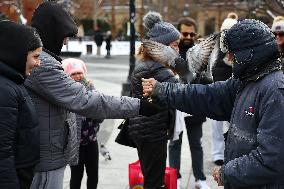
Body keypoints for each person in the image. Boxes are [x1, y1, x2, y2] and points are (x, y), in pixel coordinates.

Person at [25, 2, 161, 189]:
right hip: (45, 161)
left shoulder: (44, 60)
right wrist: (139, 105)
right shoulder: (44, 65)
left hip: (49, 154)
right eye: (64, 36)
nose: (66, 42)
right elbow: (86, 100)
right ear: (52, 32)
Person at [142, 19, 284, 189]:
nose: (230, 58)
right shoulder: (245, 82)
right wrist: (164, 91)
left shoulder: (275, 91)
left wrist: (227, 172)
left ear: (250, 54)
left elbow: (272, 158)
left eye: (234, 53)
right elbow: (206, 96)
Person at [128, 11, 180, 189]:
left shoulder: (149, 66)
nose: (177, 50)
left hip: (146, 130)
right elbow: (182, 90)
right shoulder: (157, 70)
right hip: (150, 131)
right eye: (174, 45)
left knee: (152, 177)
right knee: (154, 181)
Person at [168, 17, 211, 189]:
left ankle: (199, 178)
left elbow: (208, 78)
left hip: (195, 106)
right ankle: (175, 177)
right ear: (178, 33)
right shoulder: (171, 51)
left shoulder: (200, 52)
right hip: (176, 106)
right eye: (184, 33)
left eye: (191, 34)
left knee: (196, 144)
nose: (188, 36)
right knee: (174, 144)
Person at [0, 20, 42, 189]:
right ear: (16, 53)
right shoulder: (5, 90)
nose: (39, 63)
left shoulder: (12, 82)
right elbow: (2, 151)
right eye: (35, 56)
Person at [62, 58, 101, 189]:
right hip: (75, 142)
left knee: (93, 174)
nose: (77, 76)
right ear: (67, 75)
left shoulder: (90, 87)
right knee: (76, 175)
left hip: (91, 139)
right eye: (73, 74)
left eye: (79, 73)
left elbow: (99, 110)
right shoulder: (65, 91)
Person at [211, 12, 237, 166]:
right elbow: (209, 66)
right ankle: (217, 153)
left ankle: (229, 152)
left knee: (232, 124)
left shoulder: (239, 47)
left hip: (232, 91)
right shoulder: (216, 46)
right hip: (216, 90)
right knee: (216, 124)